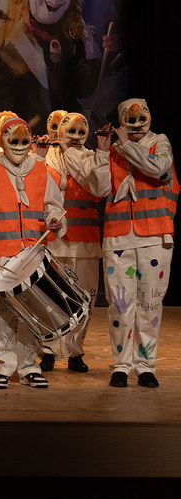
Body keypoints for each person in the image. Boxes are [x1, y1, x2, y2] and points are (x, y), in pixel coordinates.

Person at [0, 117, 65, 390]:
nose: (20, 147)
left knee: (31, 314)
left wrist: (55, 219)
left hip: (33, 254)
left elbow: (54, 205)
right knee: (0, 314)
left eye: (24, 141)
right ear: (2, 141)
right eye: (14, 141)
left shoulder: (40, 170)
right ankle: (3, 366)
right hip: (1, 255)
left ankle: (28, 367)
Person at [92, 99, 176, 388]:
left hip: (155, 236)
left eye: (141, 118)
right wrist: (103, 153)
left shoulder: (159, 143)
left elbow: (160, 169)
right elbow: (100, 188)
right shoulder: (114, 152)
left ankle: (145, 365)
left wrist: (127, 146)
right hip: (118, 236)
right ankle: (121, 365)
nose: (136, 125)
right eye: (129, 120)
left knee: (149, 303)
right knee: (120, 304)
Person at [37, 112, 102, 373]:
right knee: (50, 297)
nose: (74, 137)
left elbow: (98, 187)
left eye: (79, 131)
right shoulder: (46, 159)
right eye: (68, 130)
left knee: (86, 297)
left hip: (85, 240)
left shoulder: (90, 158)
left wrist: (72, 154)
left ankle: (76, 351)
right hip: (53, 240)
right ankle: (48, 350)